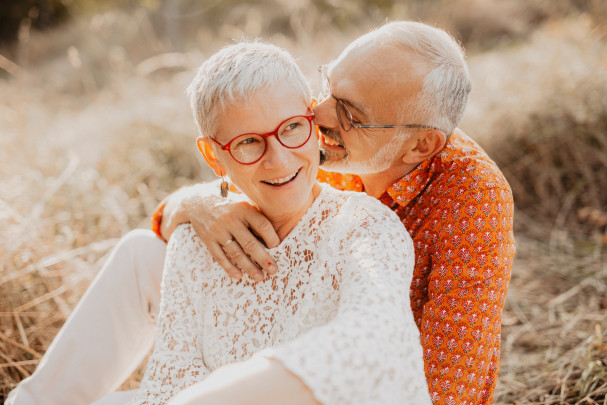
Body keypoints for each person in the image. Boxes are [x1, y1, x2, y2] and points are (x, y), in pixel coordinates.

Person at [7, 20, 515, 405]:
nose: (320, 116)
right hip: (271, 317)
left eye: (351, 114)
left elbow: (453, 383)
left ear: (419, 146)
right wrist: (198, 204)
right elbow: (187, 206)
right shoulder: (308, 139)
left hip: (350, 371)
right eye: (329, 88)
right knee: (143, 251)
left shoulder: (472, 201)